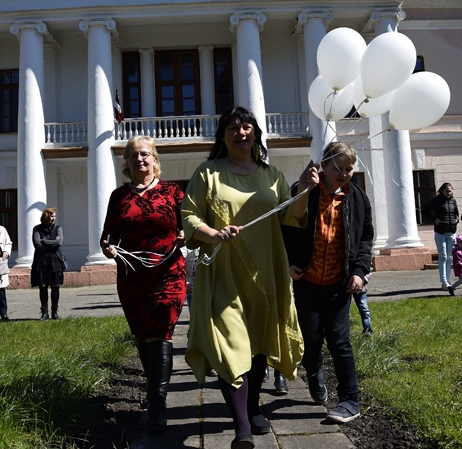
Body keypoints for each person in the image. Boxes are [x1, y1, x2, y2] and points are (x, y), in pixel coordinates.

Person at [181, 106, 318, 449]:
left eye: (246, 127)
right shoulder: (207, 173)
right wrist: (213, 233)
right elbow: (189, 217)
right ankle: (241, 426)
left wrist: (305, 190)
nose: (240, 133)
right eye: (232, 128)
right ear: (223, 136)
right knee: (230, 344)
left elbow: (291, 216)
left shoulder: (271, 174)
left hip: (266, 270)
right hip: (224, 273)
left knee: (257, 344)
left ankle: (253, 404)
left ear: (255, 132)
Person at [282, 141, 374, 425]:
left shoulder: (357, 197)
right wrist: (287, 262)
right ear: (324, 166)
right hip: (307, 280)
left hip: (339, 283)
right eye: (339, 168)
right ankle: (313, 371)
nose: (346, 173)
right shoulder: (305, 190)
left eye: (350, 169)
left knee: (340, 340)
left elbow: (365, 238)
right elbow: (285, 226)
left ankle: (350, 399)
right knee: (310, 338)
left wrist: (359, 271)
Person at [100, 135, 186, 432]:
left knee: (160, 332)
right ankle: (153, 392)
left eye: (145, 154)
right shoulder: (118, 196)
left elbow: (190, 223)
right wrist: (108, 248)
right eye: (134, 155)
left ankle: (158, 406)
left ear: (155, 159)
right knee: (143, 334)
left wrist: (187, 233)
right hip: (132, 277)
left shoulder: (173, 192)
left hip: (168, 272)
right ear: (127, 161)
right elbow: (107, 236)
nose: (140, 159)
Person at [422, 182, 460, 290]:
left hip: (451, 232)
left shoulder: (453, 201)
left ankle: (447, 281)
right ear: (442, 191)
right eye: (447, 191)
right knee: (443, 257)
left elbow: (456, 213)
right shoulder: (437, 200)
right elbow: (424, 211)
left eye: (450, 191)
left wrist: (456, 220)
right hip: (440, 233)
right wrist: (435, 220)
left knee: (449, 258)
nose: (449, 193)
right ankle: (444, 282)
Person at [31, 207, 65, 320]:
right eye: (51, 216)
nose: (53, 218)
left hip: (55, 260)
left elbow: (59, 242)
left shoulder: (58, 228)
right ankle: (44, 313)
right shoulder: (37, 229)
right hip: (41, 261)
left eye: (54, 216)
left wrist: (45, 241)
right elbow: (37, 244)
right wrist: (52, 242)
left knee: (55, 287)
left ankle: (54, 312)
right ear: (46, 216)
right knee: (43, 286)